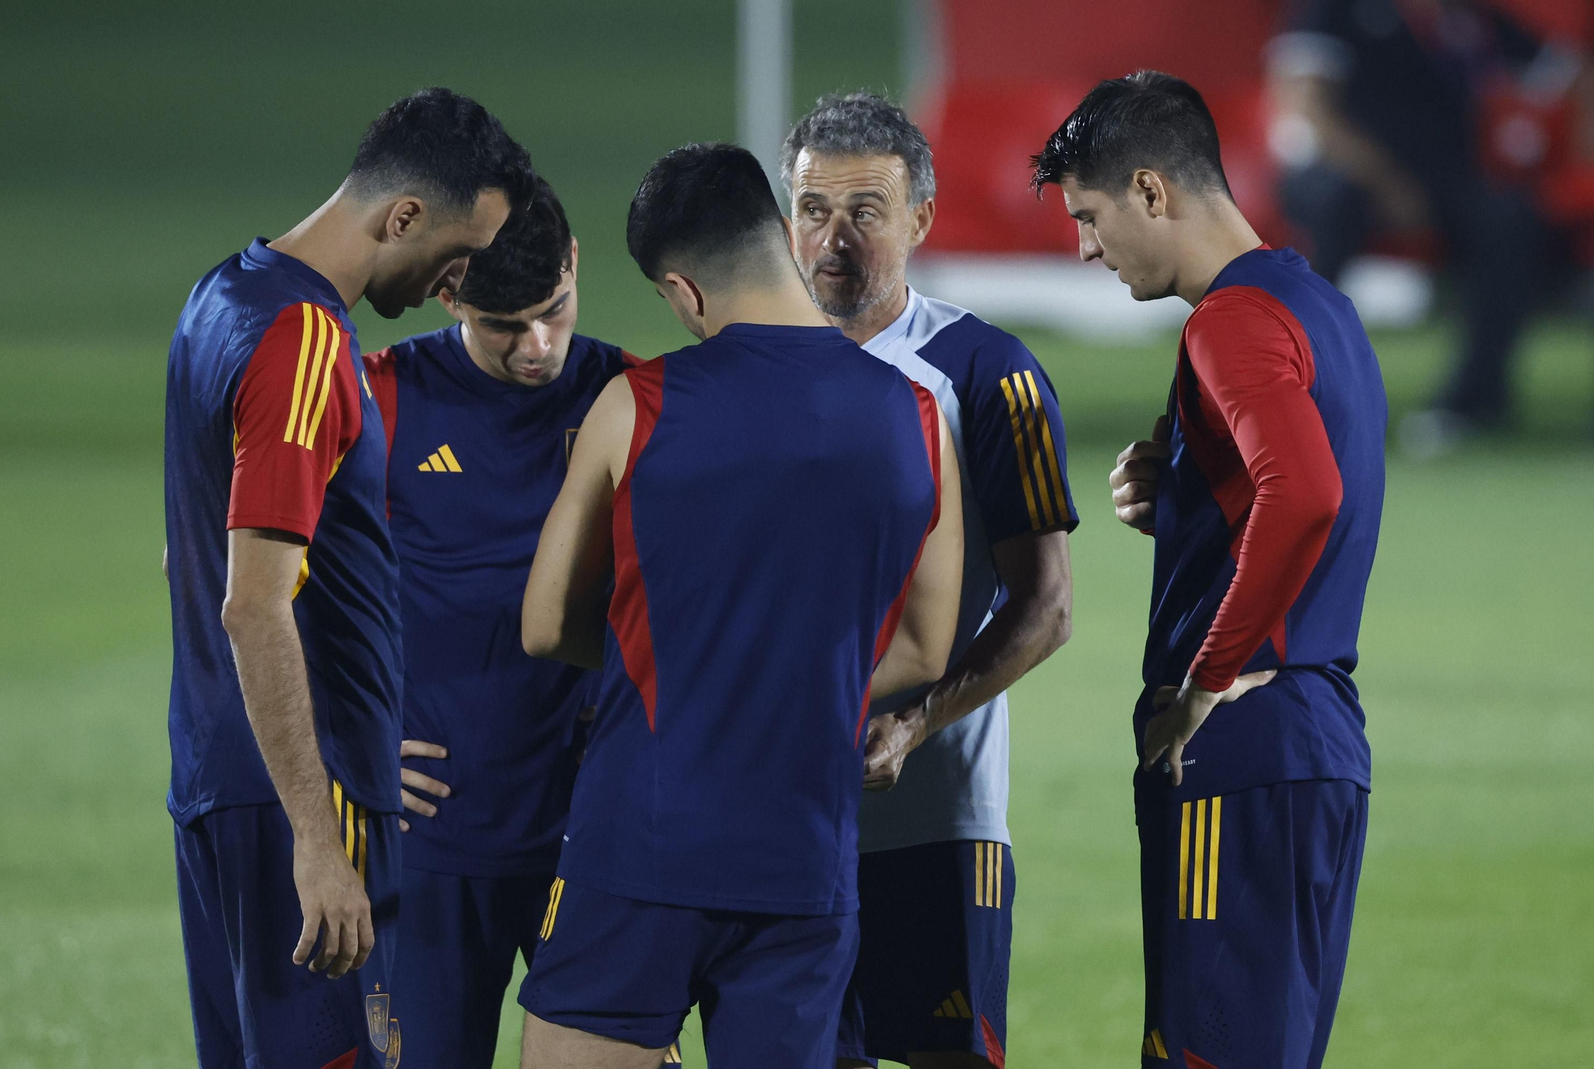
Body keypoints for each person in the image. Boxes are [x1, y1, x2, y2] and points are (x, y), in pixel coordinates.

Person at [514, 142, 966, 1069]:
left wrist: (689, 661)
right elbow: (926, 647)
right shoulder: (919, 416)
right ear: (781, 241)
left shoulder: (634, 405)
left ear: (681, 291)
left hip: (637, 848)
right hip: (804, 862)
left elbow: (545, 623)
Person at [163, 88, 531, 1069]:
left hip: (217, 780)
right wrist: (319, 837)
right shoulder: (307, 340)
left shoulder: (218, 299)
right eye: (459, 252)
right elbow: (252, 602)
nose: (459, 280)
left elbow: (187, 555)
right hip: (298, 803)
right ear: (401, 216)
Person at [1032, 71, 1385, 1069]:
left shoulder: (1226, 322)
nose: (1085, 247)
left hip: (1242, 745)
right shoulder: (1316, 304)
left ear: (1151, 191)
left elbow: (1304, 494)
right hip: (1312, 740)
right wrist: (1188, 500)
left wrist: (1203, 677)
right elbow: (1313, 491)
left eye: (1090, 216)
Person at [781, 92, 1077, 1069]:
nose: (834, 238)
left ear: (921, 220)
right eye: (813, 209)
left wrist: (920, 719)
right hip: (770, 814)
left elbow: (1045, 606)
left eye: (865, 211)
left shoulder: (988, 373)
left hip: (934, 814)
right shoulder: (742, 373)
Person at [361, 176, 677, 1068]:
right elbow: (259, 577)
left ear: (576, 265)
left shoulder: (635, 395)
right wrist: (343, 735)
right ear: (451, 291)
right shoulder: (381, 398)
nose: (538, 345)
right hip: (435, 842)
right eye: (507, 325)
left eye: (555, 310)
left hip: (595, 838)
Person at [1266, 0, 1570, 451]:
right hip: (1344, 170)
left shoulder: (1465, 16)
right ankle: (1287, 390)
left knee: (1509, 218)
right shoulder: (1334, 9)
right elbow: (1313, 109)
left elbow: (1559, 70)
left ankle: (1473, 401)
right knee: (1337, 210)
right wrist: (1390, 185)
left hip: (1441, 177)